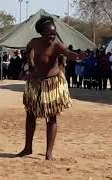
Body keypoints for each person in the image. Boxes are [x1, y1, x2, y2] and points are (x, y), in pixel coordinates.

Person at [16, 16, 83, 160]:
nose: (52, 37)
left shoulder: (57, 45)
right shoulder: (34, 42)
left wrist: (77, 56)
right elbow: (28, 50)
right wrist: (31, 63)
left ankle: (49, 152)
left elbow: (68, 53)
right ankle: (28, 148)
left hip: (51, 84)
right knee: (30, 115)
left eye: (54, 33)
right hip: (35, 83)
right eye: (49, 34)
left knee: (51, 117)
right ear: (42, 33)